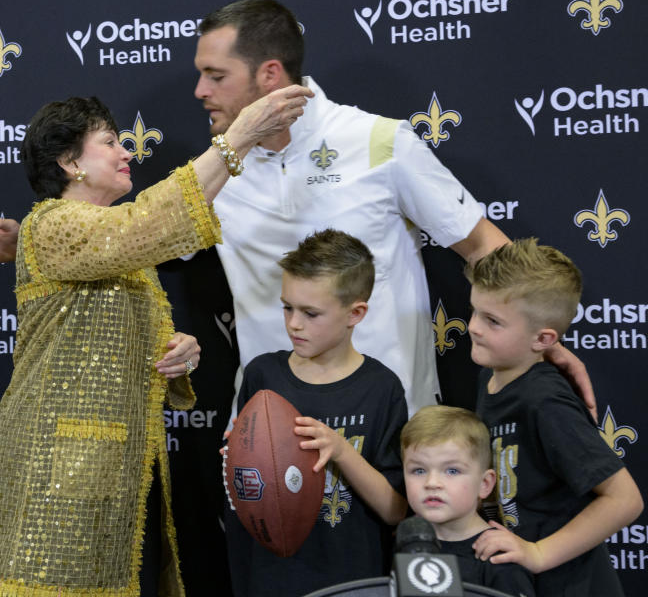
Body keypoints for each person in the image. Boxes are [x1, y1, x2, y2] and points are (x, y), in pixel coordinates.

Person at [0, 0, 594, 419]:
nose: (198, 91)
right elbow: (135, 237)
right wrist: (24, 242)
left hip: (390, 419)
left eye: (215, 75)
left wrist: (543, 341)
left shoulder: (381, 141)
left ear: (269, 76)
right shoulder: (214, 169)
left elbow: (484, 247)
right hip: (270, 428)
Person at [0, 87, 311, 597]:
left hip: (119, 467)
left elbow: (112, 332)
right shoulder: (52, 221)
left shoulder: (115, 246)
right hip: (59, 473)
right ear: (70, 163)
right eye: (109, 142)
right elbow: (148, 222)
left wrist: (179, 350)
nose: (127, 151)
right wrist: (237, 138)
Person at [224, 228, 408, 595]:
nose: (294, 323)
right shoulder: (263, 375)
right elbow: (246, 485)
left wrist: (341, 451)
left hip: (351, 578)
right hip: (269, 574)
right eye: (287, 307)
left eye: (311, 313)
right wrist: (238, 462)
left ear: (355, 313)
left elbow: (396, 511)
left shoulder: (380, 387)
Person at [467, 239, 642, 595]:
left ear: (543, 338)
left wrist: (538, 553)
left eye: (493, 321)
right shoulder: (493, 374)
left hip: (572, 585)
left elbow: (625, 500)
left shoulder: (544, 401)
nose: (473, 327)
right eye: (474, 311)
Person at [401, 404, 535, 596]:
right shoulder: (407, 545)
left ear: (485, 484)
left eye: (452, 471)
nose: (432, 483)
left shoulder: (499, 557)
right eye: (419, 470)